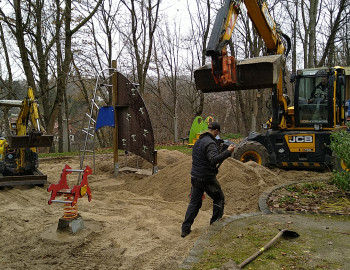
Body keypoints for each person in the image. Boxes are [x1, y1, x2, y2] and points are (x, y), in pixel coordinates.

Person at [181, 122, 235, 238]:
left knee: (195, 203)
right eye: (218, 133)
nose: (217, 135)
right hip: (206, 177)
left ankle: (185, 229)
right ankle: (215, 227)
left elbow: (201, 158)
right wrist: (227, 152)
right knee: (219, 199)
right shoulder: (210, 143)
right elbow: (213, 160)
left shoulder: (199, 141)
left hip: (195, 176)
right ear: (215, 131)